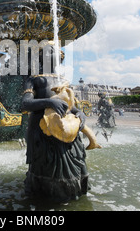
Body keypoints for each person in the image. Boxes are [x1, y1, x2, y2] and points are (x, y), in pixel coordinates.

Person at [21, 44, 98, 203]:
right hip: (44, 131)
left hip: (68, 129)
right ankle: (47, 198)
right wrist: (49, 102)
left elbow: (70, 105)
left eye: (56, 54)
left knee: (78, 162)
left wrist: (80, 113)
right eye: (49, 53)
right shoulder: (34, 79)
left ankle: (76, 192)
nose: (53, 56)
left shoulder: (63, 81)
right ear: (41, 57)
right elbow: (25, 104)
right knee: (50, 167)